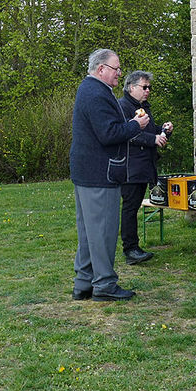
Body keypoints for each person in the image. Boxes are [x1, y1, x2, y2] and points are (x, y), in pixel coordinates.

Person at [70, 49, 149, 302]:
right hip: (99, 174)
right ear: (101, 69)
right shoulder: (96, 93)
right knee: (102, 231)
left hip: (87, 172)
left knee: (88, 232)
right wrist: (136, 125)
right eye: (116, 69)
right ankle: (104, 284)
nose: (119, 74)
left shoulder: (90, 90)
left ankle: (84, 282)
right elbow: (108, 133)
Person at [118, 71, 173, 265]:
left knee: (134, 206)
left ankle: (133, 247)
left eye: (149, 87)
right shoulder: (123, 107)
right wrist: (153, 139)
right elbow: (127, 134)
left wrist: (162, 130)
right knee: (130, 207)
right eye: (144, 87)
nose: (148, 91)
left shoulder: (143, 107)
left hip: (143, 165)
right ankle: (130, 249)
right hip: (130, 166)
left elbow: (148, 131)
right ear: (131, 87)